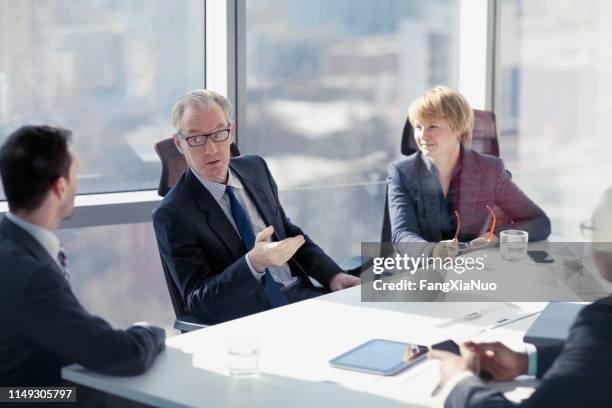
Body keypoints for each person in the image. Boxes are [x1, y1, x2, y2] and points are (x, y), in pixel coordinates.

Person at [153, 89, 360, 324]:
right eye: (196, 139)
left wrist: (332, 275)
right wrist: (253, 263)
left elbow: (286, 231)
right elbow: (200, 302)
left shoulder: (255, 169)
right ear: (179, 144)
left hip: (303, 299)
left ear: (231, 132)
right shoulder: (173, 213)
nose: (210, 149)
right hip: (251, 321)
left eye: (219, 134)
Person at [0, 125, 165, 387]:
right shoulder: (32, 276)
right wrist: (150, 330)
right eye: (76, 172)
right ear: (60, 187)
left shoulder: (10, 244)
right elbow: (121, 355)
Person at [429, 187, 612, 407]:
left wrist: (459, 382)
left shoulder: (601, 322)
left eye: (593, 229)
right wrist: (527, 361)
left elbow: (538, 221)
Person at [387, 86, 550, 258]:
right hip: (422, 271)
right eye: (418, 127)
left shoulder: (489, 170)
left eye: (432, 126)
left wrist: (493, 237)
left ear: (459, 128)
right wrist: (433, 250)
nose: (422, 135)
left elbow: (540, 222)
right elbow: (401, 235)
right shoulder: (402, 173)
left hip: (474, 268)